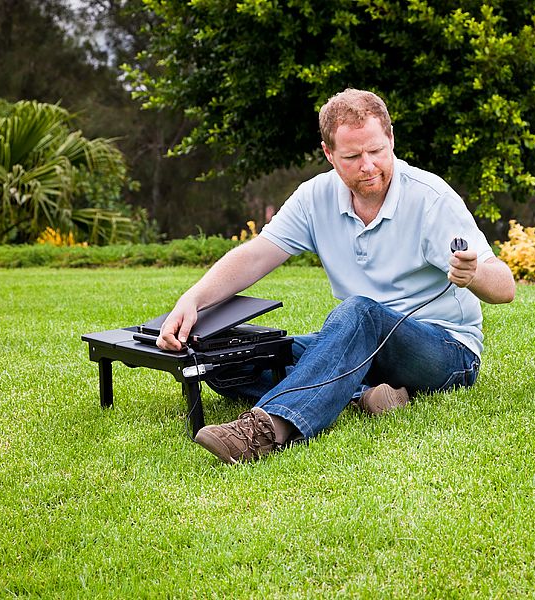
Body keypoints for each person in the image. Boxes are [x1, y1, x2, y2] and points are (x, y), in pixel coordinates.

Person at [157, 88, 516, 464]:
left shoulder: (431, 199)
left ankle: (264, 429)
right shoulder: (315, 197)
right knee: (230, 358)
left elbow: (504, 288)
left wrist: (473, 273)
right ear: (329, 154)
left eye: (377, 151)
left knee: (360, 312)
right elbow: (255, 255)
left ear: (391, 139)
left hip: (445, 351)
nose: (368, 165)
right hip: (360, 346)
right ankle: (365, 393)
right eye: (352, 156)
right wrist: (193, 299)